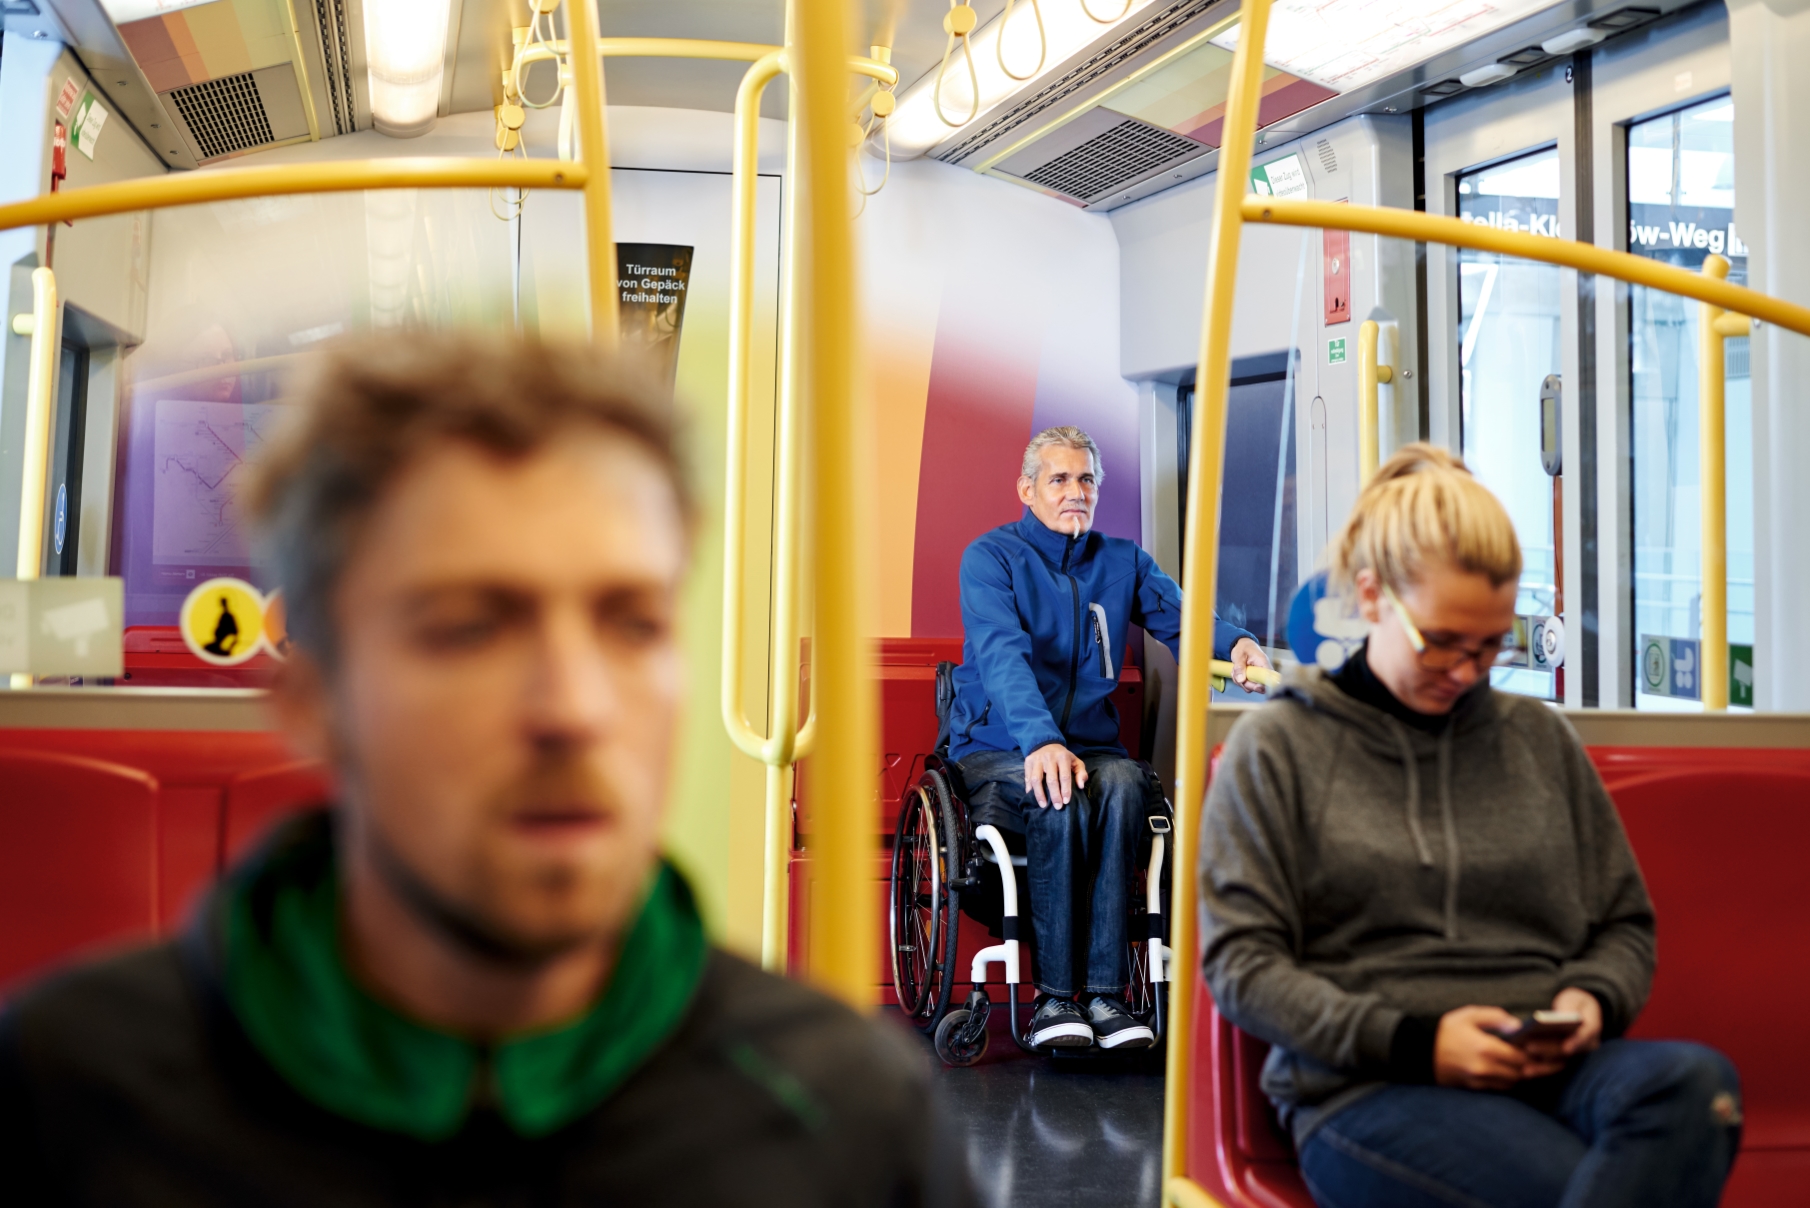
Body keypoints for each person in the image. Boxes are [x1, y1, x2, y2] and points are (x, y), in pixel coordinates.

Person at [0, 334, 973, 1207]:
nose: (574, 709)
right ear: (311, 697)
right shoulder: (73, 1094)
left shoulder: (846, 1113)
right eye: (469, 626)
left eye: (632, 623)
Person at [1200, 444, 1741, 1208]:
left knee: (1697, 1087)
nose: (1465, 671)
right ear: (1373, 596)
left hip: (1548, 1062)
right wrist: (1422, 1044)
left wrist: (1592, 999)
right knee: (1568, 1188)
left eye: (1490, 647)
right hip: (1368, 1085)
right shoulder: (1280, 747)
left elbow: (1622, 924)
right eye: (1443, 643)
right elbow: (1243, 967)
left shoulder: (1539, 740)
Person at [949, 425, 1271, 1050]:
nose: (1076, 492)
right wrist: (1041, 740)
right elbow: (1002, 656)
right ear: (1027, 489)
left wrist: (1233, 642)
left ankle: (1104, 995)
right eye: (1060, 479)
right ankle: (1054, 998)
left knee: (1126, 783)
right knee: (1060, 786)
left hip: (1090, 747)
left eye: (1086, 479)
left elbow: (1181, 614)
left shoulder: (1120, 561)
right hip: (1002, 743)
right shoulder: (991, 558)